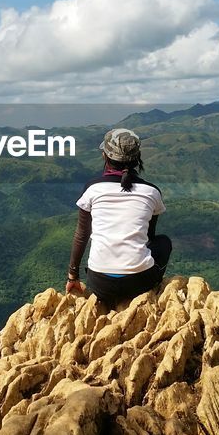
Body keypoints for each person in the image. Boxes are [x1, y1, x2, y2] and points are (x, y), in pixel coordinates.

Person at [66, 128, 172, 308]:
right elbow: (149, 237)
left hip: (100, 284)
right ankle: (153, 290)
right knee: (163, 242)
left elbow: (81, 235)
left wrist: (73, 276)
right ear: (137, 158)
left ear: (104, 156)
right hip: (139, 283)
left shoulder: (92, 189)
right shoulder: (152, 192)